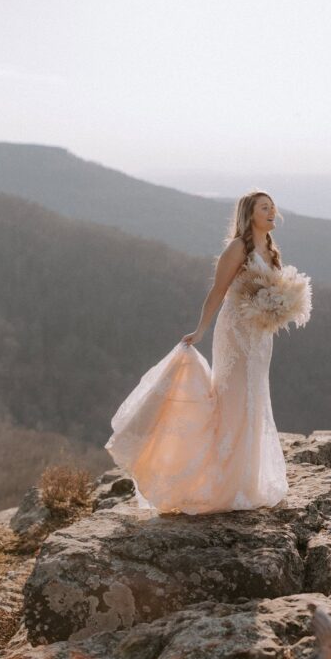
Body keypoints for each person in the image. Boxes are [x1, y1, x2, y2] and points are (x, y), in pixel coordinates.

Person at [104, 190, 290, 515]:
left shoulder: (271, 250)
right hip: (235, 334)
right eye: (265, 207)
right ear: (251, 214)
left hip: (260, 338)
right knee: (234, 401)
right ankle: (220, 482)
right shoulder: (238, 248)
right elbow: (218, 291)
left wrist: (279, 308)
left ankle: (248, 481)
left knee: (255, 400)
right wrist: (200, 330)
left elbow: (272, 291)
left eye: (272, 207)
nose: (272, 211)